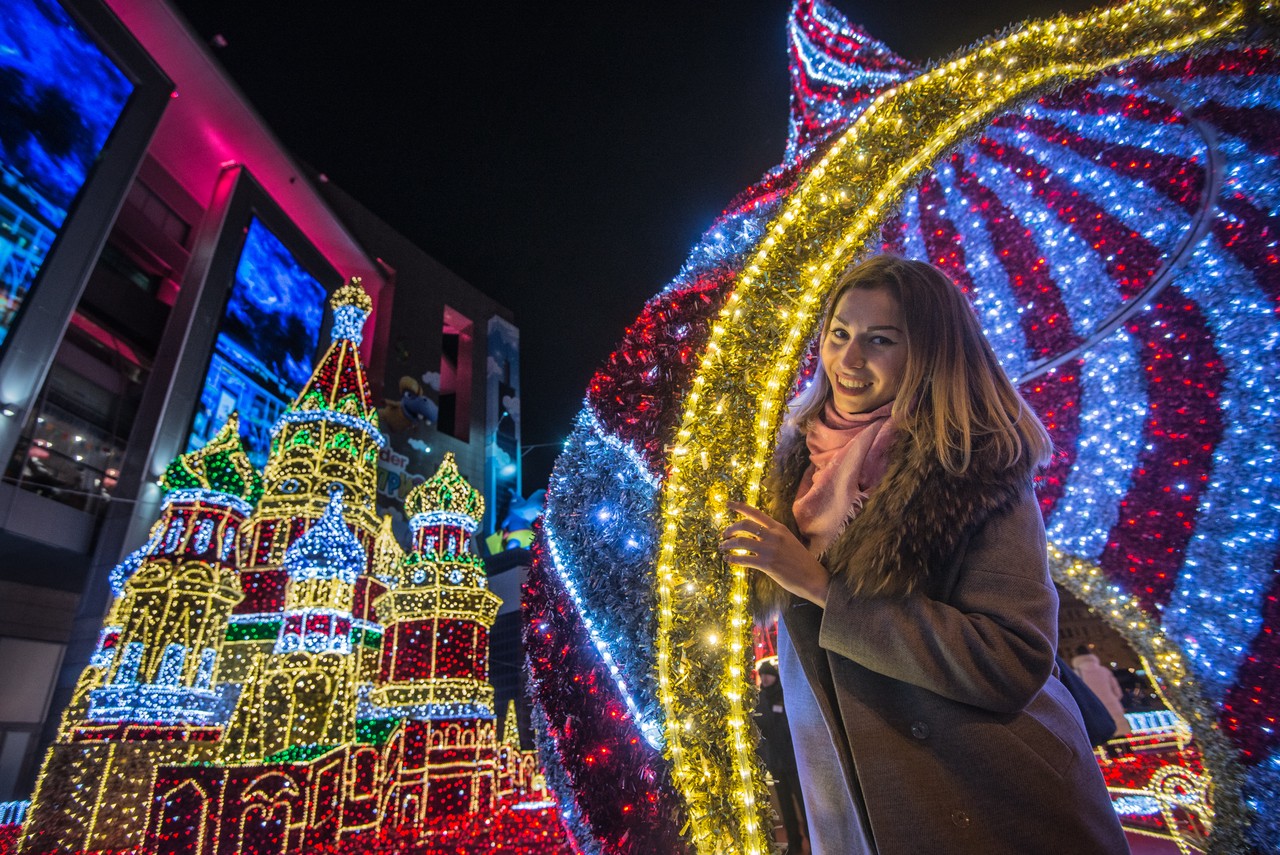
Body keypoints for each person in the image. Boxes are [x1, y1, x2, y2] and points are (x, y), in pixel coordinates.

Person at [720, 256, 1129, 854]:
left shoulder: (974, 466)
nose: (849, 360)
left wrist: (824, 589)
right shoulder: (789, 474)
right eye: (839, 334)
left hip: (984, 804)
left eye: (880, 340)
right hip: (854, 809)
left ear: (929, 352)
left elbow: (1012, 660)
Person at [755, 658, 808, 855]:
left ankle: (811, 839)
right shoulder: (761, 700)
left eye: (767, 674)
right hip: (776, 763)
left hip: (792, 760)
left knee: (803, 803)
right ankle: (794, 843)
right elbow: (762, 727)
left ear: (774, 675)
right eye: (762, 675)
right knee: (785, 806)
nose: (764, 678)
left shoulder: (784, 694)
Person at [1071, 644, 1133, 740]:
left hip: (1095, 708)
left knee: (1106, 737)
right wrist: (1114, 700)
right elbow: (1117, 691)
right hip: (1113, 706)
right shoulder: (1104, 670)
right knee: (1122, 736)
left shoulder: (1077, 673)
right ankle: (1128, 753)